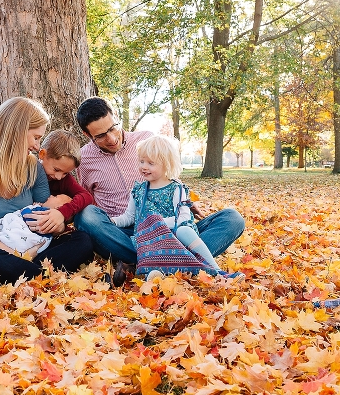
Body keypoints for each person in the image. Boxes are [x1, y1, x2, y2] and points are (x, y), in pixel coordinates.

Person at [74, 97, 246, 269]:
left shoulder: (147, 140)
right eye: (101, 135)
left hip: (171, 228)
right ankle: (178, 261)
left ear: (115, 116)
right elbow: (89, 201)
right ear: (87, 135)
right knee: (85, 216)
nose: (111, 138)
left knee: (232, 218)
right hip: (124, 234)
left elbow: (169, 172)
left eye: (113, 128)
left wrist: (183, 202)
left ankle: (149, 263)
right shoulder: (84, 159)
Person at [0, 97, 94, 284]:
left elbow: (42, 211)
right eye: (36, 137)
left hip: (28, 244)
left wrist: (58, 224)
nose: (37, 146)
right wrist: (17, 256)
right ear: (16, 131)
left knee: (82, 241)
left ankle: (28, 276)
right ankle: (39, 276)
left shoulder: (34, 167)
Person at [111, 135, 223, 275]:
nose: (144, 167)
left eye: (151, 163)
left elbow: (183, 218)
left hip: (177, 238)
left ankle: (216, 272)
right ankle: (158, 274)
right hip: (150, 241)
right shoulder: (138, 190)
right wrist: (113, 221)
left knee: (188, 230)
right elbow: (130, 216)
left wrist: (156, 223)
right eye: (141, 161)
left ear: (167, 164)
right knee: (132, 239)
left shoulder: (176, 188)